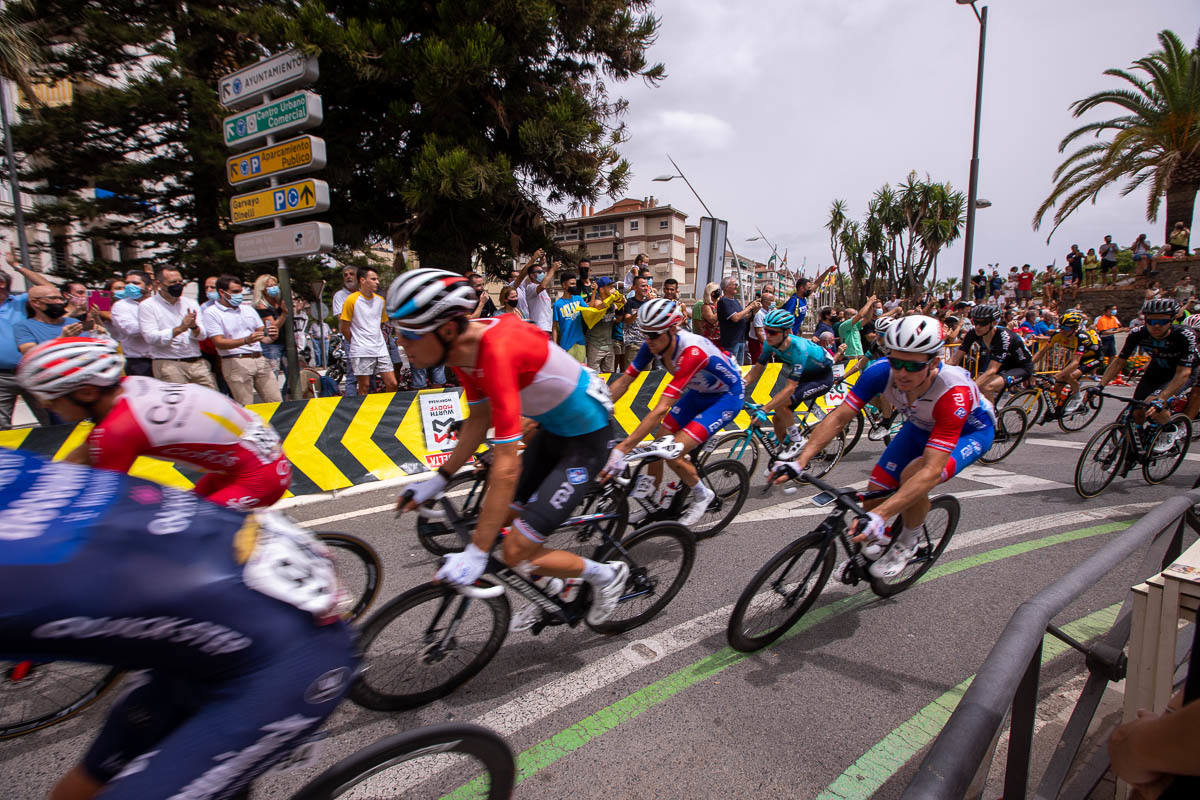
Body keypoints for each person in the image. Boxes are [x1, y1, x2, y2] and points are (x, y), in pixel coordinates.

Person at [0, 449, 355, 800]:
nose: (46, 404)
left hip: (284, 648)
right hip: (228, 590)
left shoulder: (115, 428)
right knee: (92, 777)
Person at [388, 269, 629, 631]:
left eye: (408, 334)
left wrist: (477, 553)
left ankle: (606, 574)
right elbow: (478, 418)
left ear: (447, 330)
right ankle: (555, 589)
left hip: (585, 442)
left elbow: (505, 467)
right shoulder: (463, 351)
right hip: (553, 430)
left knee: (515, 550)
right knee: (495, 520)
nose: (401, 343)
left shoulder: (496, 352)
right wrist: (438, 480)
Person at [771, 315, 995, 579]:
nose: (901, 373)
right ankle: (877, 547)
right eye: (895, 361)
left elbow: (932, 470)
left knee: (914, 473)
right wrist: (801, 459)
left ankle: (907, 543)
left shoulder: (952, 393)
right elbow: (839, 417)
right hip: (920, 424)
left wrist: (881, 515)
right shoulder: (880, 372)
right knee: (876, 490)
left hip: (969, 432)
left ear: (934, 362)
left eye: (911, 366)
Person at [17, 336, 292, 509]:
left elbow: (99, 502)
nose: (44, 405)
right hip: (249, 464)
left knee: (175, 545)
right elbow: (79, 461)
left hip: (257, 477)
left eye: (50, 399)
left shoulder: (119, 429)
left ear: (87, 392)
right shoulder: (130, 387)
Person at [604, 299, 744, 526]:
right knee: (658, 444)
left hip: (725, 398)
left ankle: (702, 494)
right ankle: (651, 499)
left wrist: (623, 448)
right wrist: (599, 408)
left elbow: (660, 409)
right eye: (644, 334)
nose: (647, 341)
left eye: (653, 335)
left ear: (672, 329)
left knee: (672, 452)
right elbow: (625, 381)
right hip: (698, 393)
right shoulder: (654, 343)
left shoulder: (692, 351)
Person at [1092, 298, 1198, 450]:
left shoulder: (1184, 335)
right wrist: (1100, 386)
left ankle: (1169, 429)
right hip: (1157, 369)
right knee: (1137, 410)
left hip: (1181, 373)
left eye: (1162, 322)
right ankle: (1138, 444)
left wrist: (1161, 399)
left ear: (1172, 321)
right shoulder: (1138, 333)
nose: (1155, 326)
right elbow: (1119, 361)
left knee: (1152, 402)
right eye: (1151, 321)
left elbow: (1184, 372)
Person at [741, 308, 835, 456]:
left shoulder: (799, 348)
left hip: (821, 377)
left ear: (786, 332)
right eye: (766, 330)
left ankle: (797, 441)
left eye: (773, 332)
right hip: (804, 375)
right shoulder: (769, 344)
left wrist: (764, 409)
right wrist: (740, 385)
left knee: (782, 405)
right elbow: (757, 370)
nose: (768, 335)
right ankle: (785, 450)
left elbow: (790, 388)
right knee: (778, 418)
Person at [200, 275, 282, 405]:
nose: (239, 295)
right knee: (246, 406)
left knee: (276, 402)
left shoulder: (247, 309)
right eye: (235, 292)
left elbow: (263, 334)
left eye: (240, 291)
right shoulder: (211, 313)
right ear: (222, 292)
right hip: (235, 361)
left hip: (259, 359)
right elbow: (218, 342)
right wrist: (245, 340)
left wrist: (272, 335)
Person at [950, 304, 1034, 403]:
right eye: (975, 322)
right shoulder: (973, 332)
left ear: (993, 323)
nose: (977, 326)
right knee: (980, 386)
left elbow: (992, 370)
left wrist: (971, 389)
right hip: (1004, 364)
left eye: (982, 323)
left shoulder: (1003, 337)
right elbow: (954, 359)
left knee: (986, 387)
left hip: (1021, 366)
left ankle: (992, 417)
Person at [1032, 309, 1105, 414]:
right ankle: (1057, 409)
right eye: (1060, 326)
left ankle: (1077, 396)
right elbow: (1041, 352)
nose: (1062, 330)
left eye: (1065, 328)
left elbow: (1075, 363)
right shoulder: (1057, 334)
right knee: (1057, 385)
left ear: (1075, 328)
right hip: (1077, 356)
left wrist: (1054, 377)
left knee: (1066, 375)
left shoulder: (1081, 337)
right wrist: (1029, 365)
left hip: (1093, 357)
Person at [340, 267, 398, 395]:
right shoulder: (351, 300)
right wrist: (356, 342)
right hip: (361, 349)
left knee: (392, 383)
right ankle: (363, 412)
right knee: (364, 386)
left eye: (377, 279)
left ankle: (388, 410)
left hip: (380, 348)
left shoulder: (380, 301)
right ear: (362, 280)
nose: (377, 282)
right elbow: (344, 328)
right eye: (373, 279)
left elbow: (383, 324)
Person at [15, 284, 87, 355]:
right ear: (36, 302)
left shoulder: (74, 322)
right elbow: (30, 353)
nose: (59, 302)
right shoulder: (24, 326)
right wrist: (62, 339)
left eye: (61, 298)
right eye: (53, 298)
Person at [108, 270, 153, 377]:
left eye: (136, 283)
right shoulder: (121, 306)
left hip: (162, 359)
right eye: (127, 283)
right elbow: (131, 329)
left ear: (149, 286)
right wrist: (155, 325)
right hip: (138, 362)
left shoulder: (157, 303)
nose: (129, 286)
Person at [331, 263, 360, 396]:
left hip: (368, 338)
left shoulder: (365, 293)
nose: (348, 277)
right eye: (345, 275)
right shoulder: (339, 296)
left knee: (369, 375)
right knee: (352, 374)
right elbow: (341, 318)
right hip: (351, 338)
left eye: (351, 274)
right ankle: (351, 405)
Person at [582, 276, 623, 372]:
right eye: (609, 286)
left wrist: (621, 302)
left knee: (610, 376)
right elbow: (600, 307)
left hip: (609, 344)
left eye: (612, 286)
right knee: (594, 376)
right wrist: (613, 298)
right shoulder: (597, 301)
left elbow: (619, 318)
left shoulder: (611, 303)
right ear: (601, 289)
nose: (612, 288)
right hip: (595, 345)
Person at [253, 274, 288, 381]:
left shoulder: (278, 301)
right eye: (270, 286)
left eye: (275, 285)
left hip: (285, 342)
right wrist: (284, 313)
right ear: (263, 289)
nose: (274, 288)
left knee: (292, 374)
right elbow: (273, 327)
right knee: (273, 374)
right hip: (272, 345)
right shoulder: (261, 305)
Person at [717, 276, 757, 366]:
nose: (737, 286)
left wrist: (754, 310)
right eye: (734, 284)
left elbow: (743, 317)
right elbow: (735, 318)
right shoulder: (724, 301)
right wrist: (749, 307)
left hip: (740, 339)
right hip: (731, 341)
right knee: (731, 367)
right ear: (726, 287)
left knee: (740, 368)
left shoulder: (735, 301)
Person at [551, 270, 586, 362]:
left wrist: (594, 293)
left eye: (575, 284)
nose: (574, 286)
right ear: (564, 285)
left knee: (581, 372)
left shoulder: (578, 299)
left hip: (580, 343)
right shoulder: (557, 305)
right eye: (572, 284)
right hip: (566, 345)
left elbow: (589, 311)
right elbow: (554, 327)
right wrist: (555, 345)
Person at [837, 294, 879, 363]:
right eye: (853, 314)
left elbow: (868, 318)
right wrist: (869, 302)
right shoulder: (844, 325)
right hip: (849, 358)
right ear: (846, 316)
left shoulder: (855, 325)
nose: (856, 315)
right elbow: (860, 315)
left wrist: (871, 306)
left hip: (859, 357)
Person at [747, 285, 775, 365]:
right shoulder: (759, 313)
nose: (773, 303)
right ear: (766, 302)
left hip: (765, 342)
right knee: (758, 367)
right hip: (758, 343)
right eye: (772, 301)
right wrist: (768, 347)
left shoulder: (770, 311)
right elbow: (759, 333)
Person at [693, 281, 721, 347]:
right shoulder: (706, 306)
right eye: (718, 290)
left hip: (719, 338)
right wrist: (722, 309)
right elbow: (712, 320)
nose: (720, 292)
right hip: (711, 339)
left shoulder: (718, 304)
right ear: (712, 293)